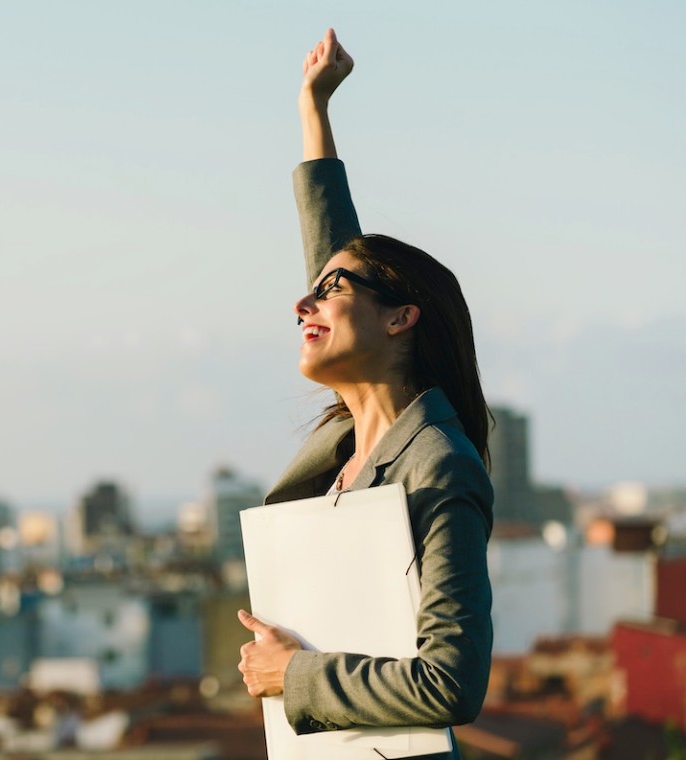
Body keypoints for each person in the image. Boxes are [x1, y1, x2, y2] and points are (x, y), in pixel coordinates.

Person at [235, 28, 494, 759]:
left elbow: (452, 683)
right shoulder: (349, 441)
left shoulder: (440, 465)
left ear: (401, 317)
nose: (302, 305)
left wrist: (296, 674)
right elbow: (337, 253)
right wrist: (313, 111)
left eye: (328, 293)